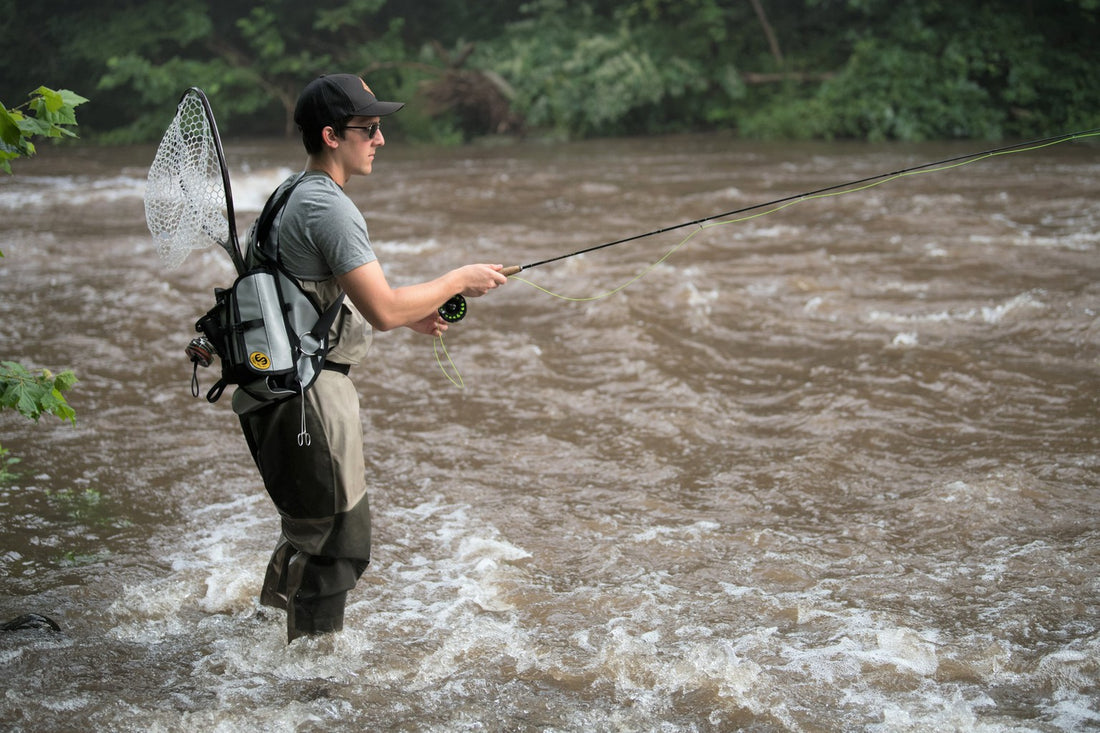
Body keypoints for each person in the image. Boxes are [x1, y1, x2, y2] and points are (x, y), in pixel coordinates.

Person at [234, 73, 508, 642]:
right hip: (310, 396)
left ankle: (263, 641)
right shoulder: (328, 209)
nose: (380, 139)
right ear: (333, 135)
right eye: (370, 128)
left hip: (277, 389)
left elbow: (312, 299)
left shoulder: (290, 192)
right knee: (337, 539)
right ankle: (311, 683)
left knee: (307, 529)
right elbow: (380, 308)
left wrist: (413, 314)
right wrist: (459, 276)